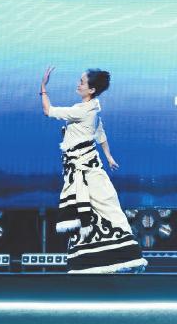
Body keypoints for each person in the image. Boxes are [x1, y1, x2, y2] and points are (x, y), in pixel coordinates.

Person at [40, 66, 147, 273]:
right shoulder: (92, 108)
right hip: (80, 169)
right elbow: (100, 133)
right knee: (91, 212)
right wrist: (109, 156)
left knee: (107, 208)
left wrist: (43, 87)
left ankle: (129, 258)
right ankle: (90, 262)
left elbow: (48, 111)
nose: (78, 84)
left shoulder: (83, 111)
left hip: (87, 169)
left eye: (82, 82)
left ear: (91, 89)